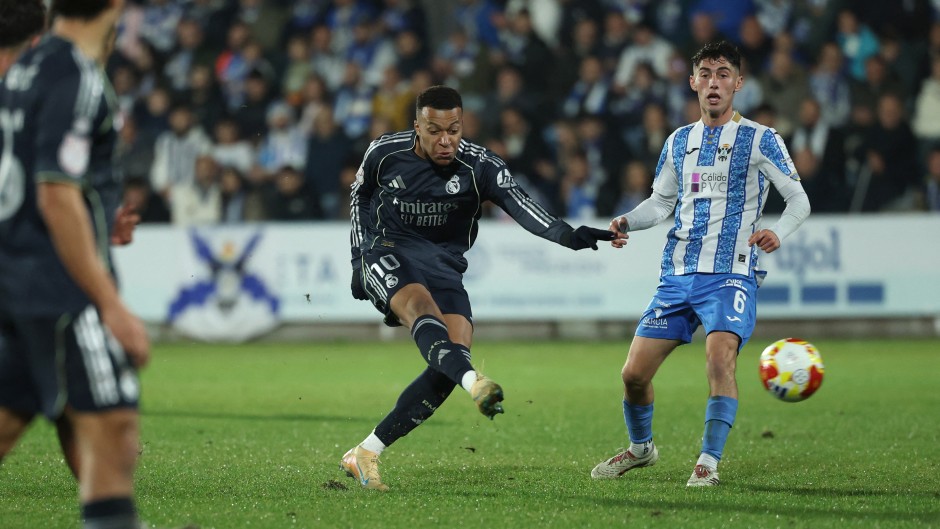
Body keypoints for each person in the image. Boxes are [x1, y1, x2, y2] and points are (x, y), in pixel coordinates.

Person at [342, 85, 614, 491]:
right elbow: (360, 196)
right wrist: (359, 257)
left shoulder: (479, 165)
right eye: (434, 130)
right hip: (390, 251)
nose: (445, 139)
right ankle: (477, 384)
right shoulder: (384, 152)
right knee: (420, 308)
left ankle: (365, 452)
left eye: (454, 128)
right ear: (416, 126)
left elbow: (521, 204)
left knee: (453, 354)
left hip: (444, 266)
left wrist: (568, 235)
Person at [590, 41, 810, 487]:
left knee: (719, 358)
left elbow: (798, 200)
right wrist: (628, 221)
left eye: (723, 73)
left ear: (739, 83)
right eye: (706, 74)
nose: (714, 82)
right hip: (678, 274)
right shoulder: (679, 141)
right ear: (692, 82)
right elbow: (660, 202)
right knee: (633, 375)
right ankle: (641, 449)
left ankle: (707, 462)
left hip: (731, 273)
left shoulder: (761, 138)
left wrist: (777, 233)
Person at [0, 1, 152, 527]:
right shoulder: (75, 75)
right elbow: (55, 195)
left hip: (19, 280)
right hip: (61, 293)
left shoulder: (24, 67)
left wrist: (97, 221)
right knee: (111, 432)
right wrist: (111, 305)